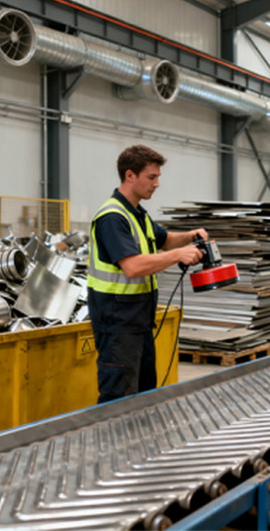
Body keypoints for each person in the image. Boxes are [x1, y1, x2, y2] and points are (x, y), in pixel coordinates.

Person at [87, 144, 207, 403]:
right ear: (130, 175)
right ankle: (115, 443)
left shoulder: (137, 214)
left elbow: (164, 240)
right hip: (117, 325)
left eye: (157, 178)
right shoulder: (112, 217)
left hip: (138, 323)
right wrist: (178, 255)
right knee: (119, 398)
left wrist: (190, 236)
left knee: (143, 395)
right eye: (151, 177)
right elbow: (133, 267)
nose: (156, 184)